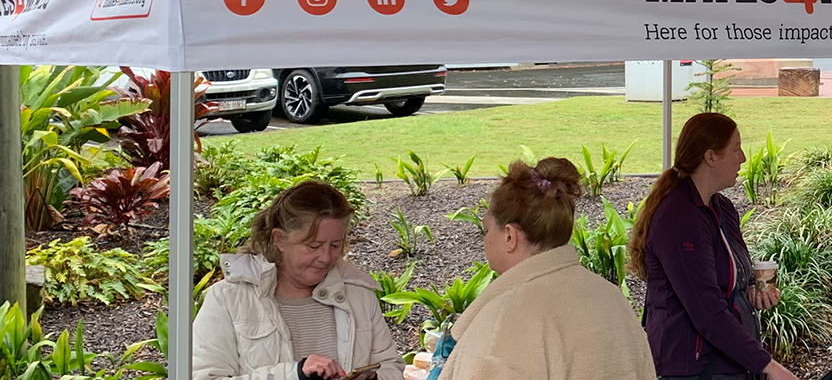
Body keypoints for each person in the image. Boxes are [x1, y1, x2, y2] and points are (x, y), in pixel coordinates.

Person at [438, 158, 657, 380]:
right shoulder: (612, 298)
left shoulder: (502, 321)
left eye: (487, 229)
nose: (485, 240)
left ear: (510, 236)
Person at [632, 113, 801, 380]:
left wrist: (750, 295)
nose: (743, 158)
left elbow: (723, 285)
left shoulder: (722, 208)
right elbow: (706, 310)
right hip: (691, 369)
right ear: (711, 158)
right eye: (735, 149)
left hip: (728, 363)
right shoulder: (678, 219)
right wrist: (769, 366)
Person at [193, 181, 402, 380]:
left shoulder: (359, 294)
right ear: (279, 239)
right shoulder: (228, 299)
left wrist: (373, 378)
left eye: (335, 245)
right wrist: (294, 374)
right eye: (313, 246)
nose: (326, 257)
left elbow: (391, 367)